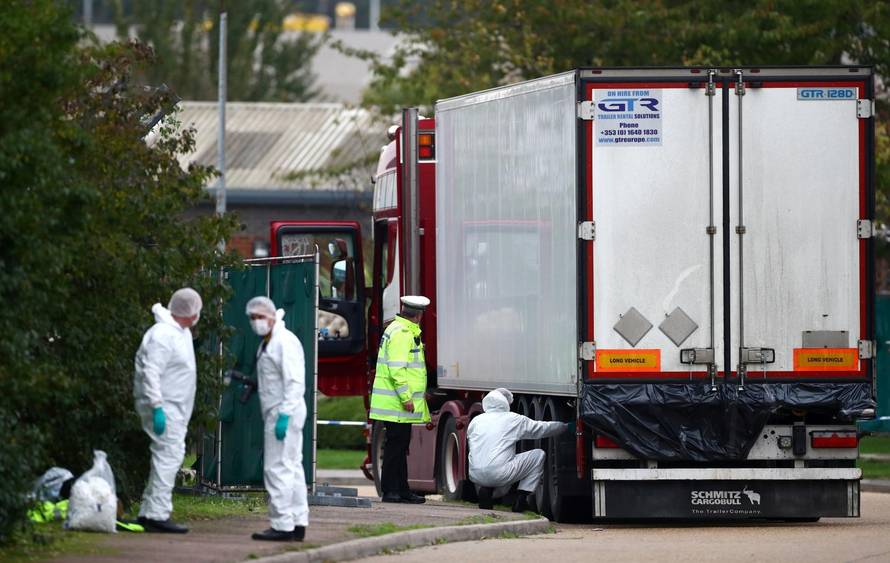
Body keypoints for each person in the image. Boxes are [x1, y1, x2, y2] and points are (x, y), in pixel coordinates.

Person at [133, 287, 202, 533]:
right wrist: (157, 407)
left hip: (174, 408)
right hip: (164, 407)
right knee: (168, 457)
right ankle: (157, 515)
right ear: (191, 311)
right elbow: (150, 372)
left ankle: (149, 512)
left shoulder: (178, 332)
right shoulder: (163, 334)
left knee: (166, 457)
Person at [246, 296, 309, 542]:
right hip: (282, 410)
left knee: (277, 468)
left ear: (272, 316)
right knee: (291, 467)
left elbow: (294, 381)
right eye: (253, 318)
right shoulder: (270, 341)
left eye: (260, 317)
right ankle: (296, 523)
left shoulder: (283, 341)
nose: (256, 322)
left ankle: (282, 524)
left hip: (283, 411)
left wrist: (283, 414)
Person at [369, 295, 431, 504]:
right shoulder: (403, 333)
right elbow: (397, 369)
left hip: (395, 404)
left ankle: (402, 490)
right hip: (396, 403)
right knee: (396, 447)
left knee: (399, 446)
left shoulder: (398, 329)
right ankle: (391, 491)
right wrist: (406, 397)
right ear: (419, 315)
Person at [467, 388, 570, 512]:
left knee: (496, 467)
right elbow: (541, 429)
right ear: (505, 403)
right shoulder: (513, 419)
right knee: (538, 455)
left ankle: (487, 491)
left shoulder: (476, 421)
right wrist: (565, 427)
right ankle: (521, 499)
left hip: (475, 474)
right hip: (499, 473)